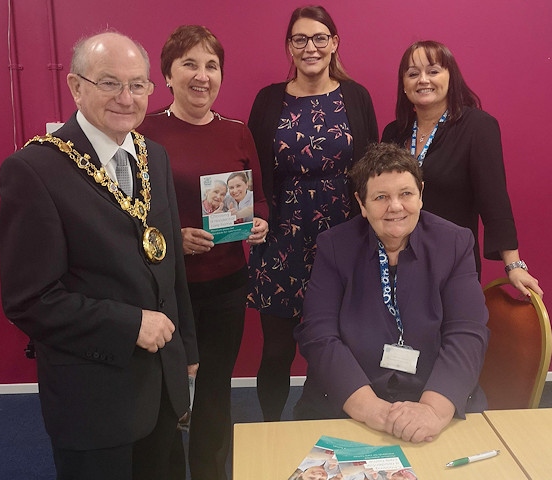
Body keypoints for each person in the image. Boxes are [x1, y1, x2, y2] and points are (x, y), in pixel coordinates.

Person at [0, 32, 198, 480]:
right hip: (93, 397)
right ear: (76, 86)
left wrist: (187, 348)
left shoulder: (154, 157)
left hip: (162, 385)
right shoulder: (32, 170)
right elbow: (30, 300)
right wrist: (130, 325)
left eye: (138, 84)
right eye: (109, 83)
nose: (126, 98)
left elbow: (170, 265)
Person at [138, 25, 269, 480]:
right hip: (165, 290)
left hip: (227, 284)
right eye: (189, 64)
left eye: (211, 65)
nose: (202, 75)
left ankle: (212, 473)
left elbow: (260, 197)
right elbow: (126, 213)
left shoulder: (237, 132)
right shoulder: (144, 131)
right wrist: (176, 236)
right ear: (167, 75)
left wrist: (260, 222)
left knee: (214, 391)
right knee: (164, 394)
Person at [294, 143, 489, 444]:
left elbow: (467, 332)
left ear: (421, 194)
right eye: (381, 197)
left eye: (406, 194)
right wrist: (374, 410)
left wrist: (432, 411)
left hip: (435, 396)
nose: (395, 206)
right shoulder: (334, 246)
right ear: (362, 203)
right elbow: (319, 336)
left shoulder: (454, 243)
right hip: (351, 403)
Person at [247, 4, 378, 422]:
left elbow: (372, 167)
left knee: (343, 342)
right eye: (300, 39)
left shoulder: (355, 96)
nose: (310, 47)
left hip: (343, 237)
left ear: (334, 42)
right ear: (289, 46)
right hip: (282, 235)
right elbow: (251, 166)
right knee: (278, 348)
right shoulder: (269, 99)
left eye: (319, 38)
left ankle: (334, 424)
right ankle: (271, 428)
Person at [381, 40, 542, 297]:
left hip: (451, 264)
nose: (423, 79)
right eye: (413, 73)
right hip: (394, 262)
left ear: (450, 77)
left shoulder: (478, 127)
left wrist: (513, 264)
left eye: (433, 71)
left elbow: (494, 198)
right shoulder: (394, 132)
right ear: (404, 84)